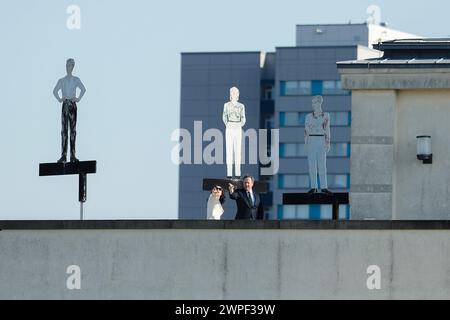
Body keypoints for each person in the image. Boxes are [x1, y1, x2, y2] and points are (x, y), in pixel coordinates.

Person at [53, 58, 86, 163]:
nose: (68, 68)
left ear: (73, 67)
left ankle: (72, 155)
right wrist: (59, 99)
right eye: (67, 65)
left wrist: (78, 98)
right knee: (64, 131)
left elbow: (83, 89)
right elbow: (54, 91)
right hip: (65, 104)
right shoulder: (61, 80)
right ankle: (63, 155)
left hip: (72, 104)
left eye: (70, 66)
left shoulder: (76, 79)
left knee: (72, 131)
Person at [304, 95, 332, 194]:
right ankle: (314, 186)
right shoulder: (308, 116)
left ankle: (324, 186)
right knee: (312, 165)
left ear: (319, 103)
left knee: (322, 164)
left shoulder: (326, 116)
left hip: (321, 139)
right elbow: (306, 130)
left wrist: (328, 142)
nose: (313, 105)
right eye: (313, 103)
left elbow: (327, 129)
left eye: (315, 102)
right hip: (311, 139)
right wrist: (306, 143)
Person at [222, 87, 246, 179]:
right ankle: (229, 173)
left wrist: (239, 124)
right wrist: (228, 124)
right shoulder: (226, 105)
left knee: (238, 151)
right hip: (229, 127)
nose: (234, 94)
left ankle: (237, 173)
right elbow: (224, 116)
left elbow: (243, 118)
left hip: (238, 128)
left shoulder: (241, 106)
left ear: (238, 94)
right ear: (230, 94)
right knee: (229, 151)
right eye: (233, 93)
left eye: (236, 93)